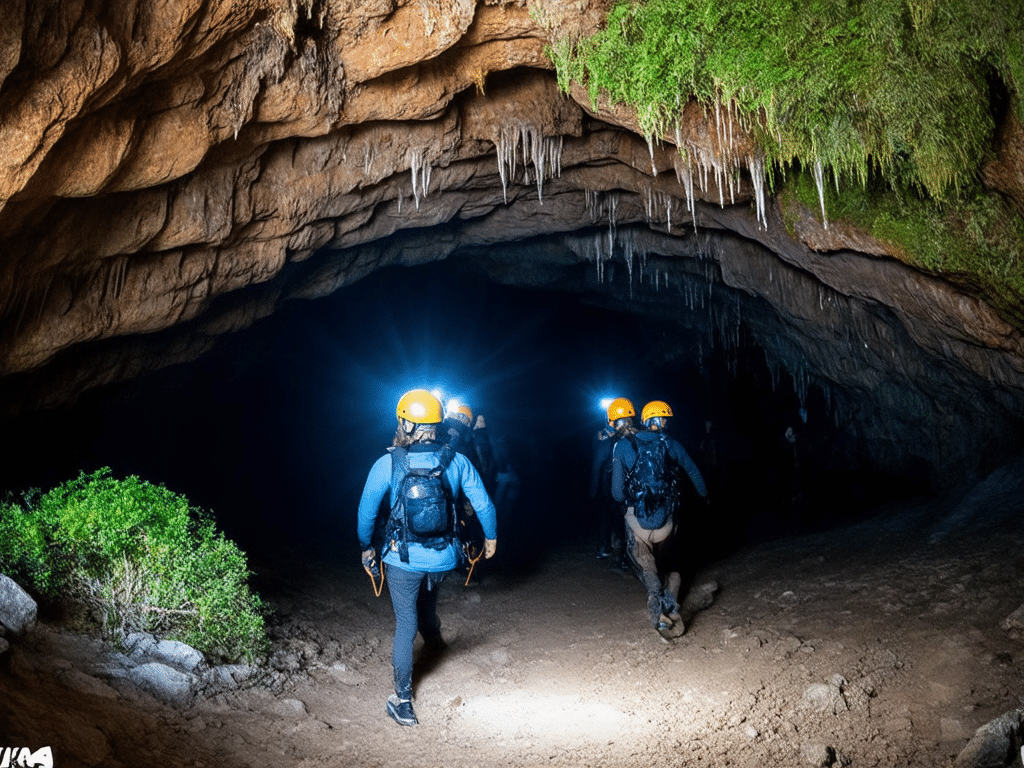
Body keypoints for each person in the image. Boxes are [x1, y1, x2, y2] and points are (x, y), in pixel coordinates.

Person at [357, 389, 497, 727]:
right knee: (428, 594)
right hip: (444, 558)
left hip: (401, 559)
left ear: (405, 422)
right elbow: (484, 505)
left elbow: (366, 515)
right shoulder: (457, 461)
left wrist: (367, 546)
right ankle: (433, 638)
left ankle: (402, 702)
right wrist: (490, 538)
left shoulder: (387, 463)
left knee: (405, 623)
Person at [611, 399, 707, 635]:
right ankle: (672, 601)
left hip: (638, 521)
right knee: (673, 561)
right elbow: (693, 471)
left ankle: (655, 596)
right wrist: (704, 496)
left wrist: (627, 503)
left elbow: (616, 493)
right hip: (666, 520)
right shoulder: (670, 443)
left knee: (642, 559)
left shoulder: (622, 446)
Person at [589, 397, 638, 564]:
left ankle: (607, 548)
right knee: (621, 520)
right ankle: (624, 555)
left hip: (608, 488)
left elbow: (596, 465)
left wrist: (593, 491)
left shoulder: (605, 440)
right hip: (627, 488)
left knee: (607, 518)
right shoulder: (634, 439)